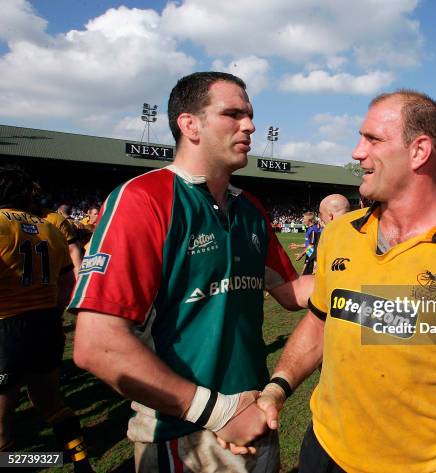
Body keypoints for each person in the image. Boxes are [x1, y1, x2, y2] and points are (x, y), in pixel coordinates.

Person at [257, 90, 436, 473]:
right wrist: (278, 387)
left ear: (419, 151)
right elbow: (319, 322)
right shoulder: (340, 235)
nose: (357, 152)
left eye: (373, 139)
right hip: (322, 452)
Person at [69, 72, 312, 473]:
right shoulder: (144, 199)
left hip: (255, 418)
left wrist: (368, 277)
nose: (249, 125)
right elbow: (97, 345)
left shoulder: (249, 207)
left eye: (250, 115)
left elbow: (290, 291)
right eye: (233, 114)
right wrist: (219, 412)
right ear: (190, 124)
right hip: (183, 434)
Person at [0, 166, 93, 472]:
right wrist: (50, 315)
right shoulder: (50, 228)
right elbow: (67, 285)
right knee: (52, 403)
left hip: (6, 329)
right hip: (45, 325)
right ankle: (80, 463)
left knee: (2, 425)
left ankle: (23, 462)